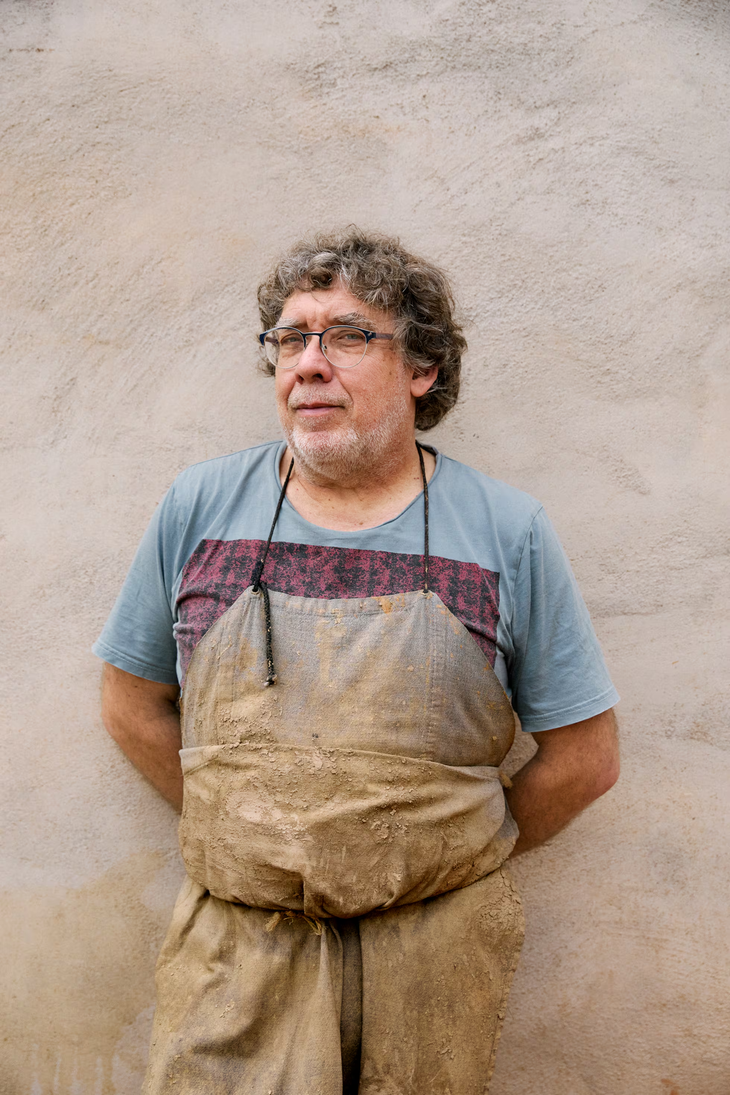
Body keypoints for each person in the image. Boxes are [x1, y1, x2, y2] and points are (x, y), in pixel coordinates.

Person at [95, 228, 620, 1095]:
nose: (308, 363)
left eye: (347, 336)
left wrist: (438, 855)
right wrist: (256, 835)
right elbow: (129, 702)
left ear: (423, 368)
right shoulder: (200, 507)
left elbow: (585, 758)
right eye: (291, 339)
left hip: (433, 961)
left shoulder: (505, 530)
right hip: (236, 956)